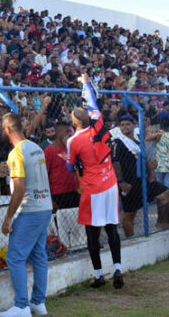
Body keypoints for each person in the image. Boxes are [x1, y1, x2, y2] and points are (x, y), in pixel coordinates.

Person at [65, 75, 123, 289]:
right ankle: (118, 268)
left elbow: (71, 168)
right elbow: (91, 101)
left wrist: (74, 160)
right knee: (111, 228)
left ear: (74, 123)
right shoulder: (98, 122)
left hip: (92, 188)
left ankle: (99, 275)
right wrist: (85, 82)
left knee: (92, 231)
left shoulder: (73, 141)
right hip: (110, 184)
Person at [0, 113, 53, 317]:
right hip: (44, 206)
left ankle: (21, 306)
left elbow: (19, 188)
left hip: (30, 208)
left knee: (15, 256)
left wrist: (8, 217)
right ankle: (38, 302)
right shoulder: (35, 147)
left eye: (2, 128)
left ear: (8, 129)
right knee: (38, 255)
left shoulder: (16, 153)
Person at [110, 114, 169, 236]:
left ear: (133, 126)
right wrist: (121, 182)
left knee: (166, 194)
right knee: (130, 214)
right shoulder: (117, 141)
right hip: (128, 183)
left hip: (142, 181)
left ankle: (162, 224)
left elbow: (144, 160)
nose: (125, 127)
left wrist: (151, 170)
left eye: (128, 124)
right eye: (122, 125)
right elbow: (115, 162)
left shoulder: (137, 141)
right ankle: (131, 239)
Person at [43, 120, 80, 210]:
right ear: (59, 134)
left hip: (75, 191)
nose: (71, 133)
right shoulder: (49, 151)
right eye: (67, 131)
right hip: (58, 194)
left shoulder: (72, 147)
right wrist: (50, 199)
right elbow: (44, 176)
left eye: (71, 130)